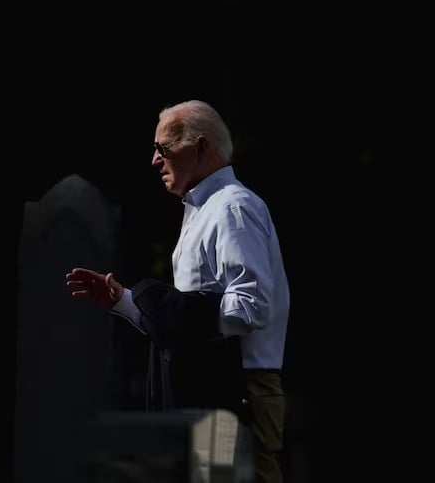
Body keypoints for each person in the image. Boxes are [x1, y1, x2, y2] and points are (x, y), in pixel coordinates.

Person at [66, 100, 291, 483]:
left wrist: (156, 299)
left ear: (201, 148)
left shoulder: (232, 208)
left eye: (163, 149)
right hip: (213, 386)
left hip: (234, 390)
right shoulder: (205, 209)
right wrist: (126, 302)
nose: (154, 160)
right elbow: (190, 321)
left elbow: (251, 307)